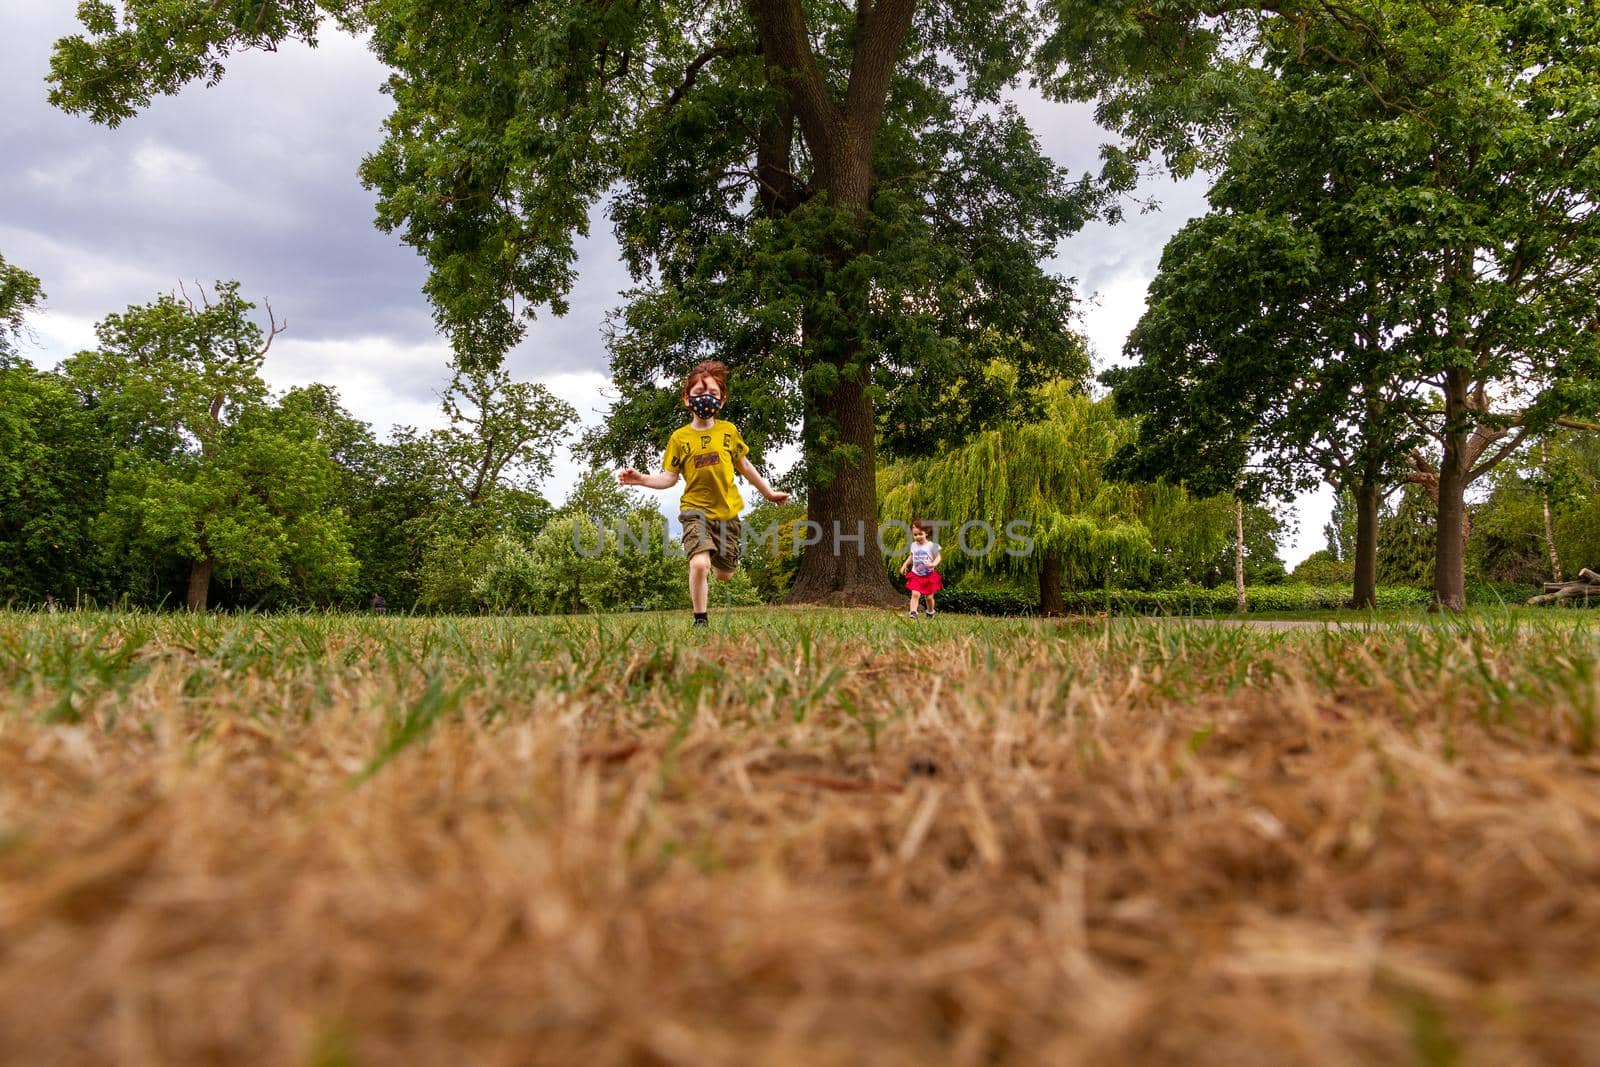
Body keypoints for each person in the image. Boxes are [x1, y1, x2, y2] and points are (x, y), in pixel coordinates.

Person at [619, 360, 789, 627]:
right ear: (687, 399)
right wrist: (641, 479)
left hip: (727, 513)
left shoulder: (729, 431)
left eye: (711, 394)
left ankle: (725, 562)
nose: (705, 399)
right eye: (698, 394)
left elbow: (744, 465)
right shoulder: (679, 438)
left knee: (725, 574)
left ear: (722, 400)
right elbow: (669, 478)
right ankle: (701, 619)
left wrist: (768, 493)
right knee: (699, 565)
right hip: (694, 511)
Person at [899, 519, 942, 618]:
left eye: (920, 534)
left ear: (926, 533)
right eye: (915, 535)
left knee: (929, 598)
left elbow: (938, 557)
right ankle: (913, 612)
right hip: (916, 574)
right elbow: (911, 556)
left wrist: (933, 564)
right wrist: (904, 565)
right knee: (915, 594)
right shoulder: (913, 545)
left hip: (929, 575)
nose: (917, 537)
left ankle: (930, 611)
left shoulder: (932, 546)